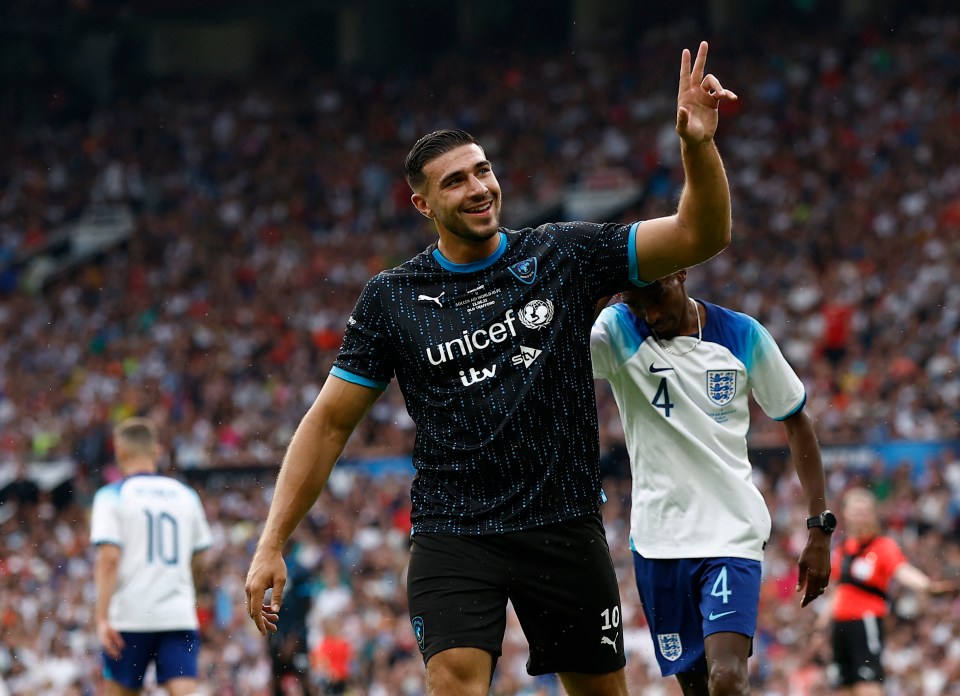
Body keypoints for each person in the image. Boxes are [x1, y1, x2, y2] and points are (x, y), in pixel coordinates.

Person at [245, 41, 738, 696]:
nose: (478, 188)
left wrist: (699, 146)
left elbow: (701, 235)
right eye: (455, 181)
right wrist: (271, 540)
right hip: (454, 533)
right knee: (453, 681)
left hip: (562, 524)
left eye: (482, 171)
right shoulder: (392, 298)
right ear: (423, 205)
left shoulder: (563, 252)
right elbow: (330, 423)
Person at [590, 269, 833, 696]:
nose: (650, 313)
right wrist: (598, 293)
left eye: (656, 295)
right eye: (636, 302)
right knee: (698, 688)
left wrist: (819, 526)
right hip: (658, 542)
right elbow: (558, 354)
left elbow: (796, 420)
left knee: (727, 679)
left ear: (681, 272)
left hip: (730, 533)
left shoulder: (741, 335)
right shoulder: (618, 328)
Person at [91, 417, 213, 696]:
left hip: (130, 616)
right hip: (177, 614)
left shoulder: (111, 496)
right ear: (157, 451)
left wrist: (101, 619)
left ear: (120, 452)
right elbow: (201, 556)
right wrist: (187, 591)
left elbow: (109, 559)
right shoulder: (186, 495)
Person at [822, 486, 956, 695]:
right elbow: (841, 587)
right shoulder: (842, 549)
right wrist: (824, 618)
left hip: (865, 621)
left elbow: (902, 570)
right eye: (856, 511)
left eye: (864, 511)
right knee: (842, 686)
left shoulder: (882, 546)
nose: (860, 517)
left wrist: (927, 586)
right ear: (846, 514)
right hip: (840, 625)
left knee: (868, 684)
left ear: (873, 514)